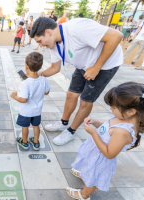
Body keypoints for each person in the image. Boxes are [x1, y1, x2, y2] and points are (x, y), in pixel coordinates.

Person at [30, 17, 123, 146]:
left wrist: (96, 67)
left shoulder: (77, 29)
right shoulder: (54, 44)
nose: (40, 45)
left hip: (105, 65)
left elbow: (116, 36)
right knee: (71, 94)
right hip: (84, 65)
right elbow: (55, 68)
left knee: (85, 101)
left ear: (48, 32)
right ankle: (64, 123)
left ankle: (71, 131)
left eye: (40, 41)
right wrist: (36, 75)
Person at [66, 82, 144, 200]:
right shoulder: (122, 117)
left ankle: (84, 194)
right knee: (88, 167)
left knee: (93, 178)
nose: (111, 108)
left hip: (101, 159)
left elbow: (109, 154)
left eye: (114, 107)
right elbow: (108, 129)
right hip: (96, 152)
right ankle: (85, 174)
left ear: (131, 111)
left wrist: (93, 133)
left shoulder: (123, 132)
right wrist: (95, 122)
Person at [11, 52, 50, 150]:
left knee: (25, 127)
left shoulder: (26, 83)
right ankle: (36, 143)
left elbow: (24, 99)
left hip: (26, 111)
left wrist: (14, 96)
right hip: (37, 111)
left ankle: (25, 143)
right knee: (36, 126)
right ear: (40, 66)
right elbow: (46, 92)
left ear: (26, 67)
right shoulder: (43, 80)